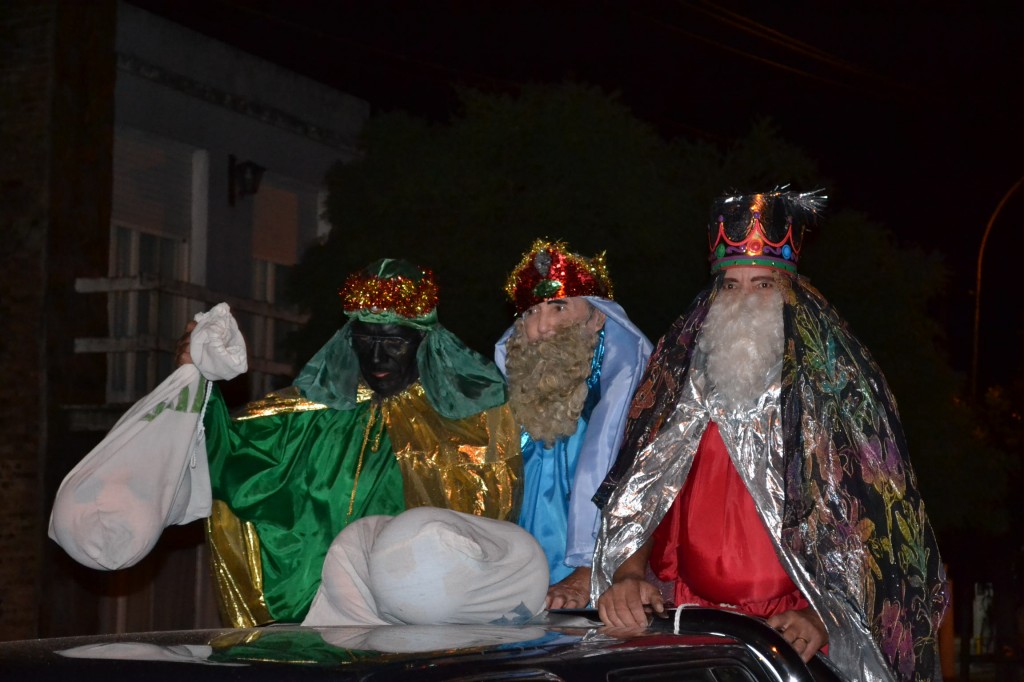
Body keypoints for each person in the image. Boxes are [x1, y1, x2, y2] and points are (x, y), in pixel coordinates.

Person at [592, 190, 948, 682]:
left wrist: (826, 618)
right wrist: (629, 576)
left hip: (794, 642)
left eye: (762, 284)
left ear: (791, 293)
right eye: (730, 287)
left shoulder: (836, 389)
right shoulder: (679, 384)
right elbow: (641, 494)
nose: (743, 303)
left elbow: (877, 533)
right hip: (691, 627)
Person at [183, 258, 522, 626]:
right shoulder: (309, 418)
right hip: (320, 629)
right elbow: (230, 456)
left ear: (424, 342)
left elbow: (486, 528)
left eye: (393, 341)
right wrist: (196, 379)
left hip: (417, 634)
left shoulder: (465, 425)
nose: (376, 357)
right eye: (364, 339)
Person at [495, 239, 652, 609]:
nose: (542, 326)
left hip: (595, 593)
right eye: (530, 314)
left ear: (598, 318)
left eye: (559, 307)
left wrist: (588, 572)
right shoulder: (501, 403)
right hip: (511, 582)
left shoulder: (639, 403)